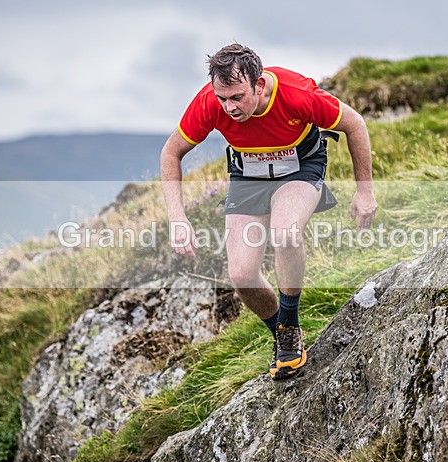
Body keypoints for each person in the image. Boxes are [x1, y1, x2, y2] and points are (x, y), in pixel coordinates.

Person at [160, 43, 376, 380]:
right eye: (222, 99)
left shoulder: (296, 95)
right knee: (242, 274)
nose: (228, 107)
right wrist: (178, 218)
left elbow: (355, 124)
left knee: (286, 233)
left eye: (236, 97)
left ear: (258, 85)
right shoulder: (209, 102)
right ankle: (283, 334)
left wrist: (365, 192)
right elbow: (171, 153)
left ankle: (289, 323)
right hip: (248, 175)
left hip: (299, 167)